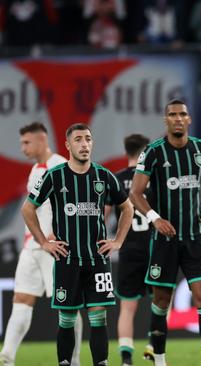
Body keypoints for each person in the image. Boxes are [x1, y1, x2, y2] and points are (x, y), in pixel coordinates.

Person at [130, 99, 201, 366]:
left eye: (182, 114)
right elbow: (135, 192)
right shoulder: (153, 152)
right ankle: (160, 360)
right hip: (164, 241)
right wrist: (154, 218)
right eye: (172, 114)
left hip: (195, 238)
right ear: (166, 120)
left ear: (188, 119)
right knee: (162, 300)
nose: (177, 118)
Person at [22, 123, 134, 366]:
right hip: (67, 261)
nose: (84, 144)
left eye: (88, 139)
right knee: (67, 319)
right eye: (79, 140)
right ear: (68, 145)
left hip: (97, 261)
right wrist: (44, 242)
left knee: (98, 317)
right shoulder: (54, 176)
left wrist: (118, 241)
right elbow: (28, 209)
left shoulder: (104, 176)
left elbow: (127, 207)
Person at [0, 122, 82, 366]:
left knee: (67, 306)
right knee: (22, 300)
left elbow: (72, 206)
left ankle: (74, 360)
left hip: (54, 248)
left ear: (41, 140)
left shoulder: (60, 165)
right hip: (32, 247)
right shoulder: (36, 168)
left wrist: (57, 237)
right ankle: (7, 357)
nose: (22, 147)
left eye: (26, 142)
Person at [106, 133, 153, 366]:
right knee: (162, 302)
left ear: (127, 152)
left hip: (128, 249)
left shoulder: (115, 180)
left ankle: (126, 359)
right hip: (156, 248)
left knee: (127, 308)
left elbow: (102, 217)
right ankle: (155, 349)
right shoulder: (152, 177)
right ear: (145, 151)